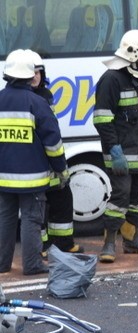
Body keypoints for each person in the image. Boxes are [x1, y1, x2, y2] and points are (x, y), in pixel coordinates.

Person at [93, 30, 138, 263]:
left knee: (137, 194)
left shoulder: (137, 78)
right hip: (120, 152)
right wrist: (114, 150)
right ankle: (109, 243)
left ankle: (132, 241)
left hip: (137, 152)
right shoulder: (111, 79)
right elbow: (101, 119)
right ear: (132, 54)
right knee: (120, 196)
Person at [0, 49, 68, 276]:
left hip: (2, 177)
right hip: (32, 178)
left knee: (5, 219)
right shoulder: (37, 103)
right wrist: (61, 169)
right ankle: (32, 265)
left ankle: (2, 263)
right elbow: (53, 143)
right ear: (30, 75)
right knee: (30, 220)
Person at [29, 50, 84, 257]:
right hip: (36, 162)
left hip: (51, 161)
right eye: (32, 72)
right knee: (38, 208)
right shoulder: (27, 98)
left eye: (39, 72)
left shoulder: (45, 94)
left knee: (62, 198)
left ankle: (63, 243)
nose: (35, 76)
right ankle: (42, 247)